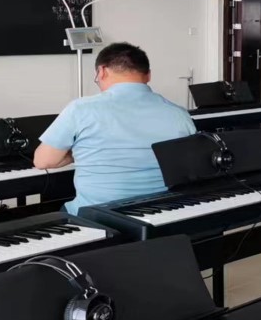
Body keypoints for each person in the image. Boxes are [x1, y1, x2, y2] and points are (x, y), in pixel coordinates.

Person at [34, 42, 196, 213]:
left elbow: (43, 161)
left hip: (96, 216)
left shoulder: (81, 109)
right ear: (148, 75)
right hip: (160, 214)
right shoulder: (179, 114)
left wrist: (80, 152)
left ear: (102, 71)